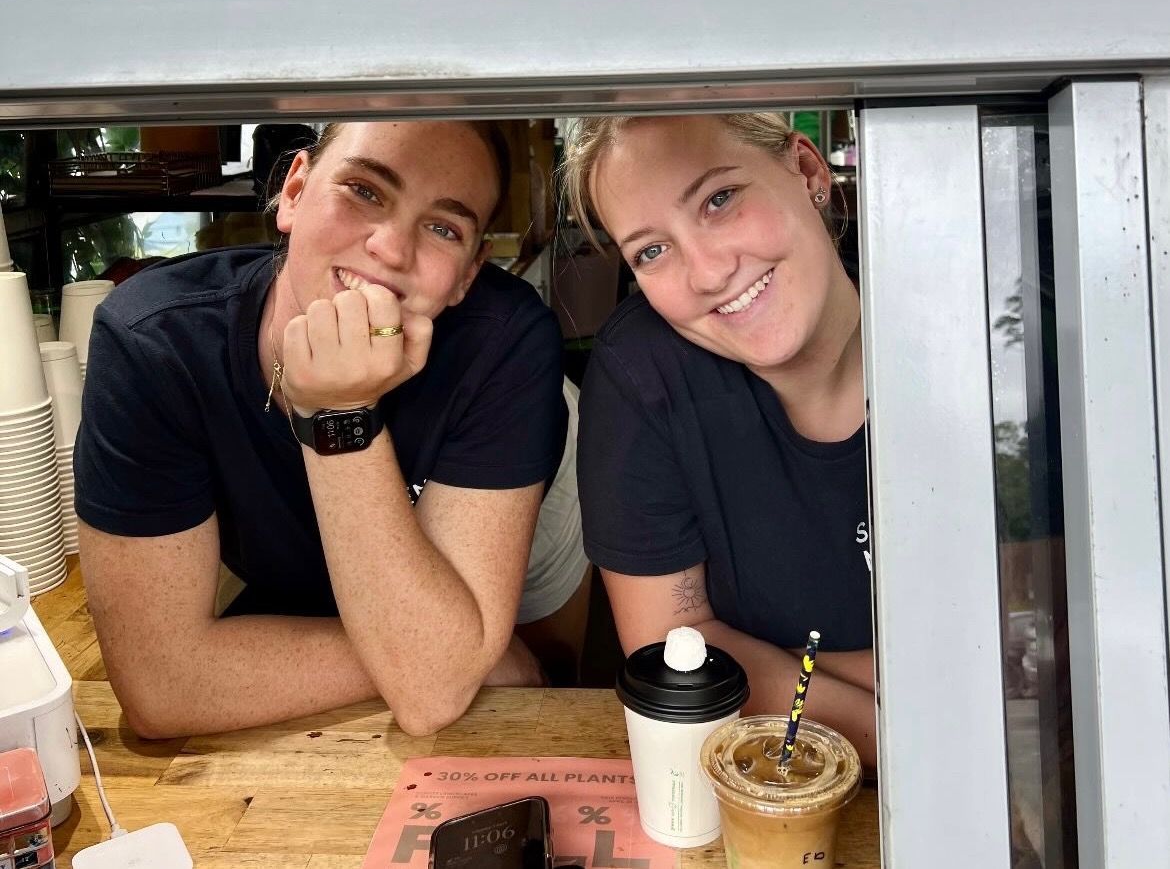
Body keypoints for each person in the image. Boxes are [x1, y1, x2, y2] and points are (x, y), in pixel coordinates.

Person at [75, 118, 587, 739]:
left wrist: (337, 412)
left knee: (542, 681)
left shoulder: (505, 345)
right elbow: (160, 688)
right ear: (294, 192)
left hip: (510, 487)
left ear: (467, 274)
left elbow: (437, 695)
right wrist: (451, 657)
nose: (391, 249)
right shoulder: (155, 342)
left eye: (443, 228)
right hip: (337, 572)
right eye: (365, 191)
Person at [562, 112, 876, 769]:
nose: (706, 273)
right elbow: (676, 656)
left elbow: (1032, 639)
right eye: (651, 251)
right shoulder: (644, 373)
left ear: (807, 171)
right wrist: (901, 729)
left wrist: (770, 665)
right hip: (771, 787)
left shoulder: (962, 319)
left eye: (719, 199)